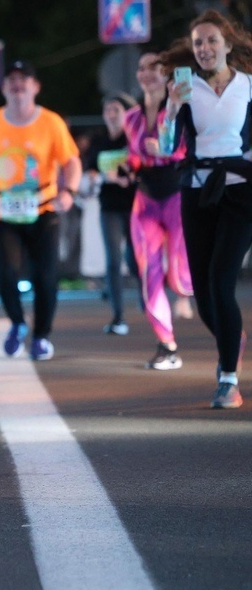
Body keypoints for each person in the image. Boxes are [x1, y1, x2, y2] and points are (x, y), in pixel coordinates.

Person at [0, 60, 81, 361]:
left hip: (43, 208)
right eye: (11, 79)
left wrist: (69, 192)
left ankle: (42, 336)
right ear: (3, 88)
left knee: (45, 276)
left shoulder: (51, 122)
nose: (17, 84)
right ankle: (17, 323)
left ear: (36, 87)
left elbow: (71, 160)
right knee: (5, 273)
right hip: (3, 211)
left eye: (24, 79)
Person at [161, 9, 252, 409]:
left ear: (228, 45)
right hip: (197, 189)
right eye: (198, 42)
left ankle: (228, 379)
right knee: (202, 295)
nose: (204, 48)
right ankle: (232, 340)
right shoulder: (185, 88)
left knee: (220, 279)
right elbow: (167, 146)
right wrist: (169, 108)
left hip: (241, 189)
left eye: (212, 40)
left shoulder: (248, 86)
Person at [125, 51, 194, 370]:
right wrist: (126, 167)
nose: (147, 73)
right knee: (149, 275)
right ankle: (167, 345)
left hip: (177, 192)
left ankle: (185, 293)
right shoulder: (131, 118)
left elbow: (191, 148)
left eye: (154, 67)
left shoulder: (180, 108)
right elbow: (133, 156)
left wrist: (168, 151)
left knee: (180, 276)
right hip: (145, 199)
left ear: (167, 74)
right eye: (142, 68)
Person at [83, 92, 140, 336]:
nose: (112, 114)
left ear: (127, 113)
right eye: (108, 110)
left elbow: (142, 166)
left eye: (116, 109)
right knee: (113, 261)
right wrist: (101, 177)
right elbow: (91, 171)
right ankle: (118, 316)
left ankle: (147, 299)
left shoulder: (134, 138)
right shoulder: (99, 140)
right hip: (109, 207)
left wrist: (128, 176)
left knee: (135, 259)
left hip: (135, 205)